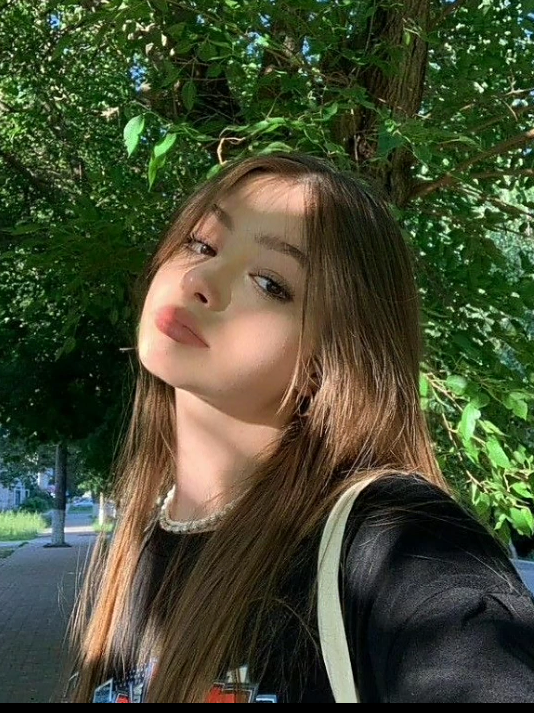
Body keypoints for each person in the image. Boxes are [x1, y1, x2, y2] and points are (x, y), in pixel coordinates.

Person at [64, 151, 534, 703]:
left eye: (269, 282)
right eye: (202, 244)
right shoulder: (132, 551)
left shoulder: (398, 544)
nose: (201, 279)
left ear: (330, 358)